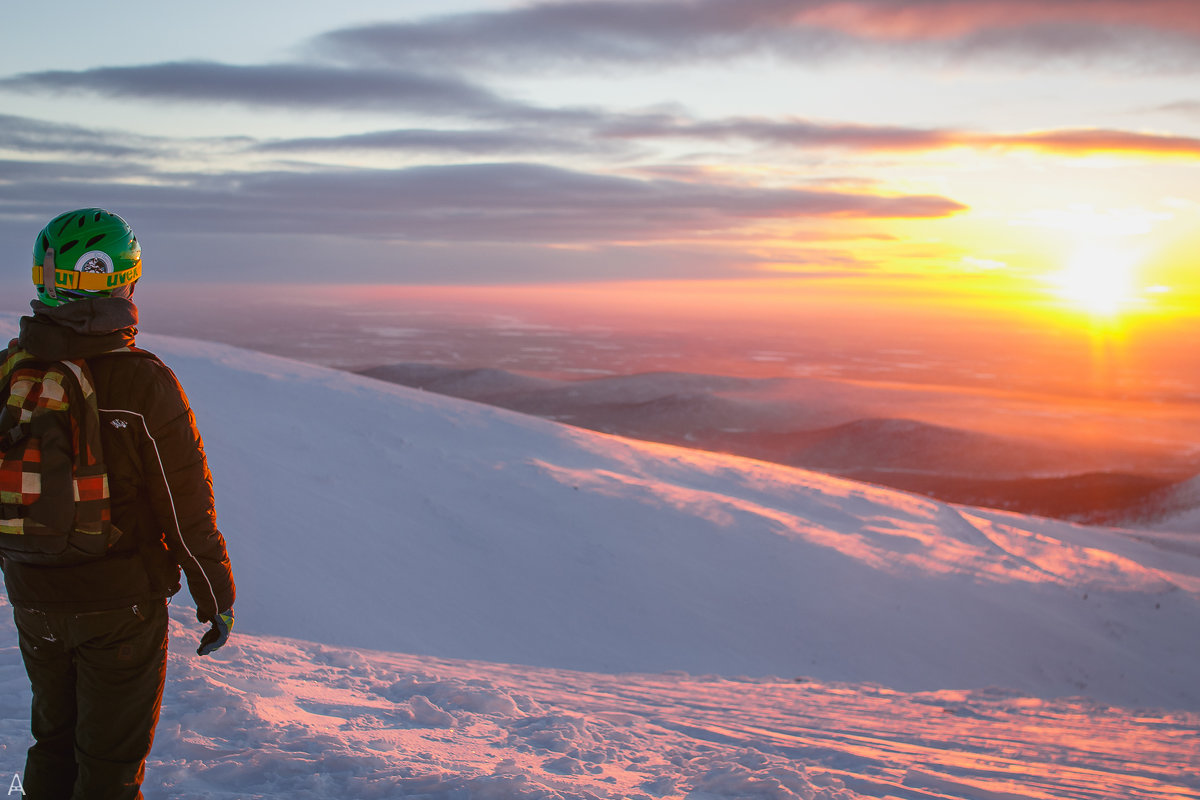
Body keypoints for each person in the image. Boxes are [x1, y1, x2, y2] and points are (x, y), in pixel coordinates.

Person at [0, 208, 236, 800]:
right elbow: (185, 509)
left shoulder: (11, 371)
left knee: (51, 744)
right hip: (119, 604)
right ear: (119, 281)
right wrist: (217, 599)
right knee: (107, 766)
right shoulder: (141, 382)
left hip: (32, 596)